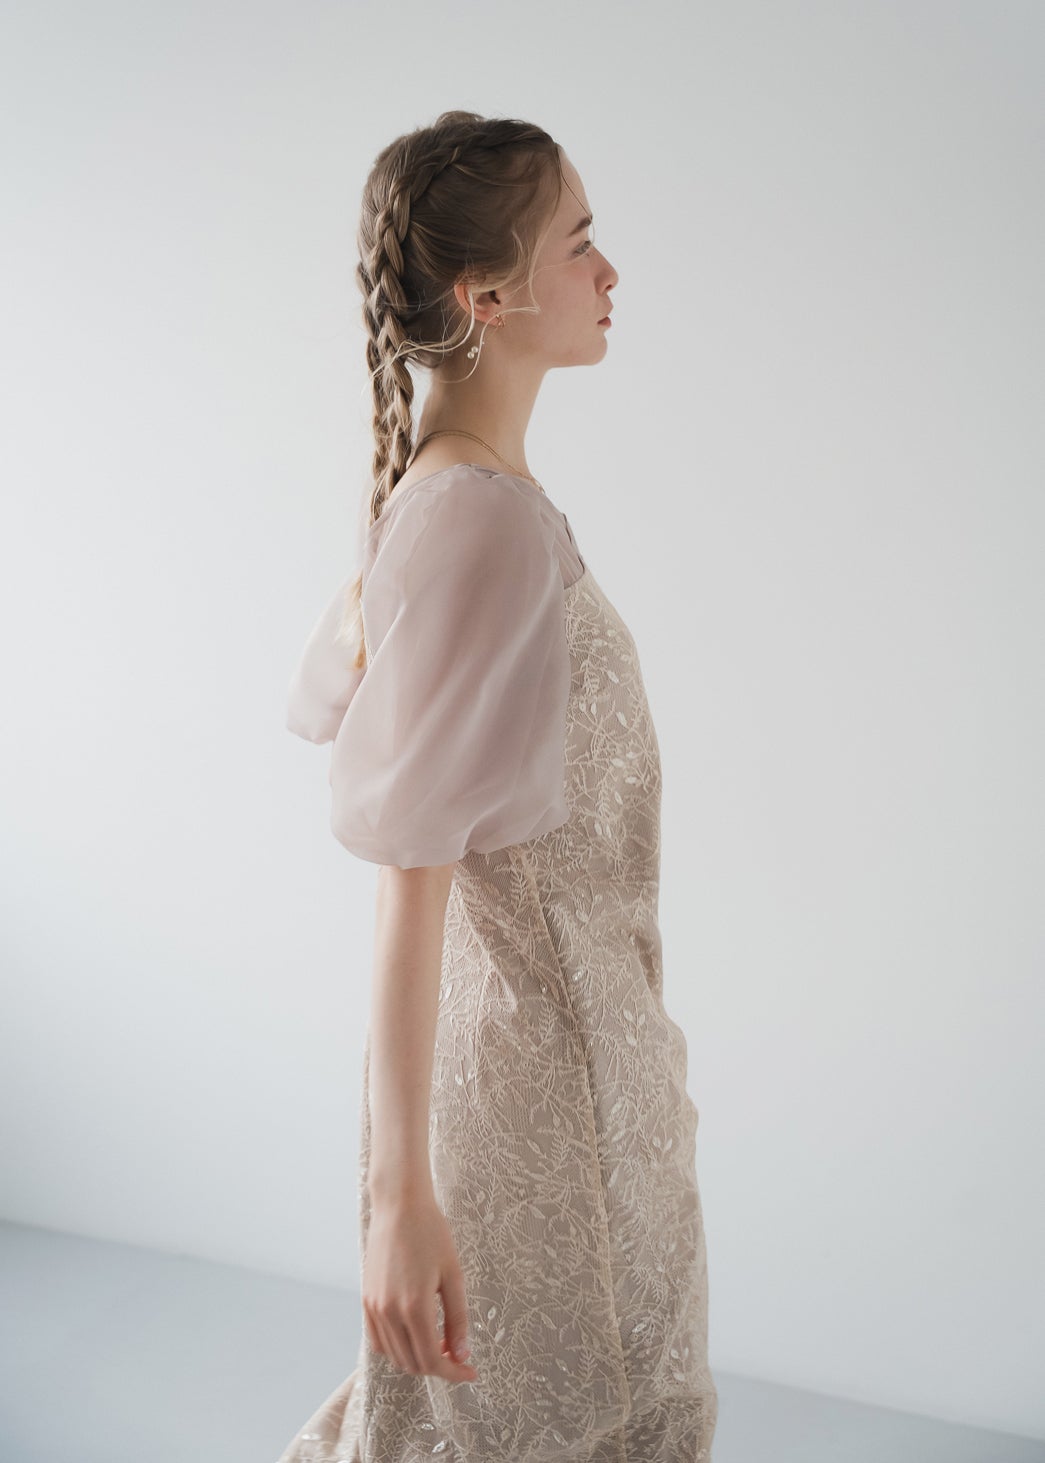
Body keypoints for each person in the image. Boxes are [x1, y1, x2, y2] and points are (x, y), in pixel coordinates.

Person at [279, 110, 718, 1462]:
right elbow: (411, 882)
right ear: (486, 298)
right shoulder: (482, 521)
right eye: (578, 241)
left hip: (560, 1063)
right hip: (549, 1093)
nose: (609, 271)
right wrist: (397, 1199)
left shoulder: (450, 496)